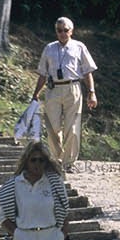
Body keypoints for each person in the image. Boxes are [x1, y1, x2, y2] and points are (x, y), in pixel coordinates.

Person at [31, 17, 98, 173]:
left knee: (72, 127)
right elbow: (42, 73)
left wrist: (92, 93)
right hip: (53, 88)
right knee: (52, 126)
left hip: (72, 87)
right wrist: (35, 94)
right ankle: (57, 157)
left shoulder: (79, 47)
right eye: (59, 30)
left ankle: (68, 162)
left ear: (71, 31)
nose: (62, 33)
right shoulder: (49, 48)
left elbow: (88, 71)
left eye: (65, 30)